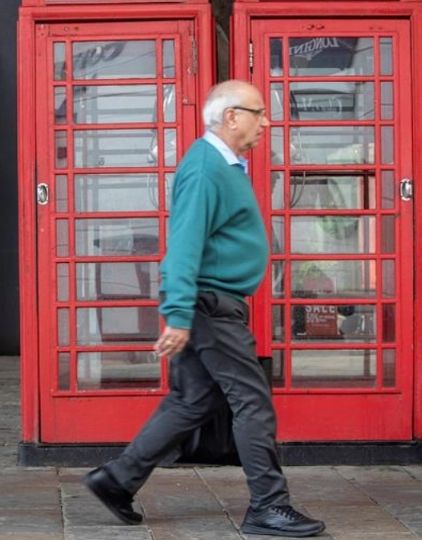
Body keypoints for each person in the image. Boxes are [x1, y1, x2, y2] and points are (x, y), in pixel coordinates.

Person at [82, 80, 325, 537]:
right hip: (211, 306)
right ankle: (268, 507)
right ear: (231, 116)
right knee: (253, 403)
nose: (266, 121)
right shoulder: (205, 168)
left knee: (192, 400)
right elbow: (183, 245)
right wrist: (176, 313)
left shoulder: (226, 165)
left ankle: (117, 480)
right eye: (258, 112)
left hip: (212, 304)